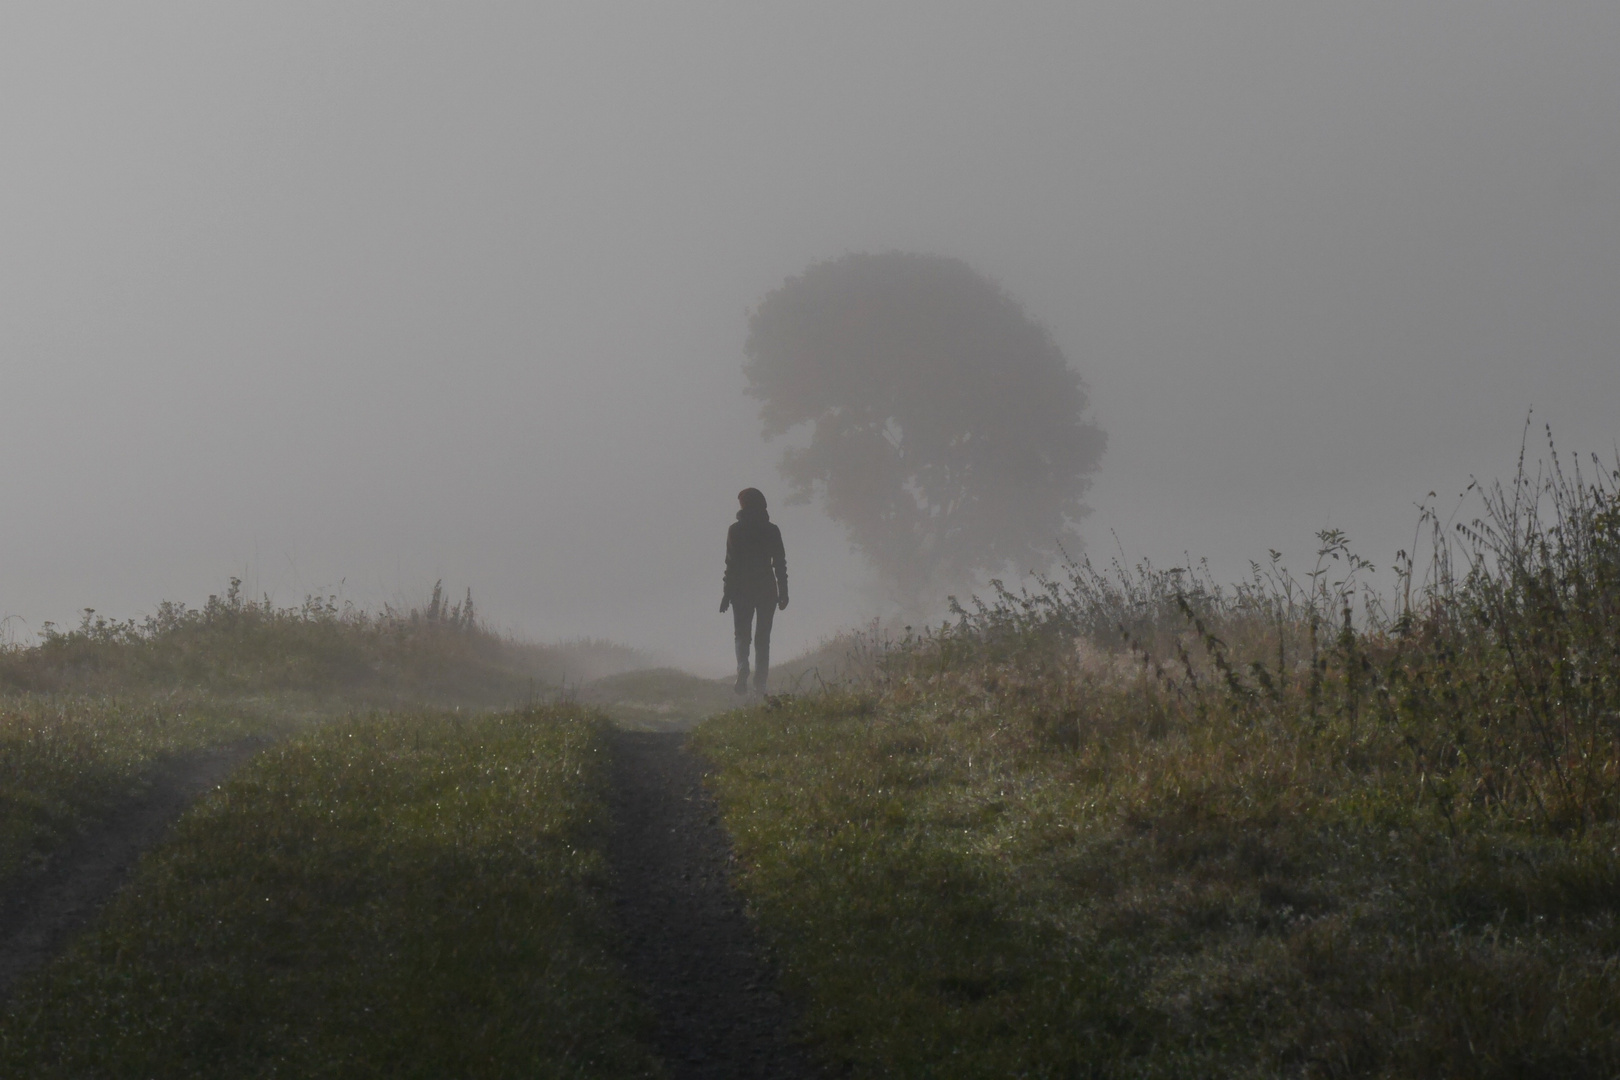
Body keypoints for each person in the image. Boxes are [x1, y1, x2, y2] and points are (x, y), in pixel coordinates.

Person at [720, 487, 788, 694]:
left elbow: (731, 564)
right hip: (767, 588)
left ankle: (742, 668)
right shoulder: (771, 530)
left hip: (741, 589)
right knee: (763, 637)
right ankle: (761, 682)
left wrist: (726, 593)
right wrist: (783, 591)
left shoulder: (735, 530)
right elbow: (780, 563)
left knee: (742, 634)